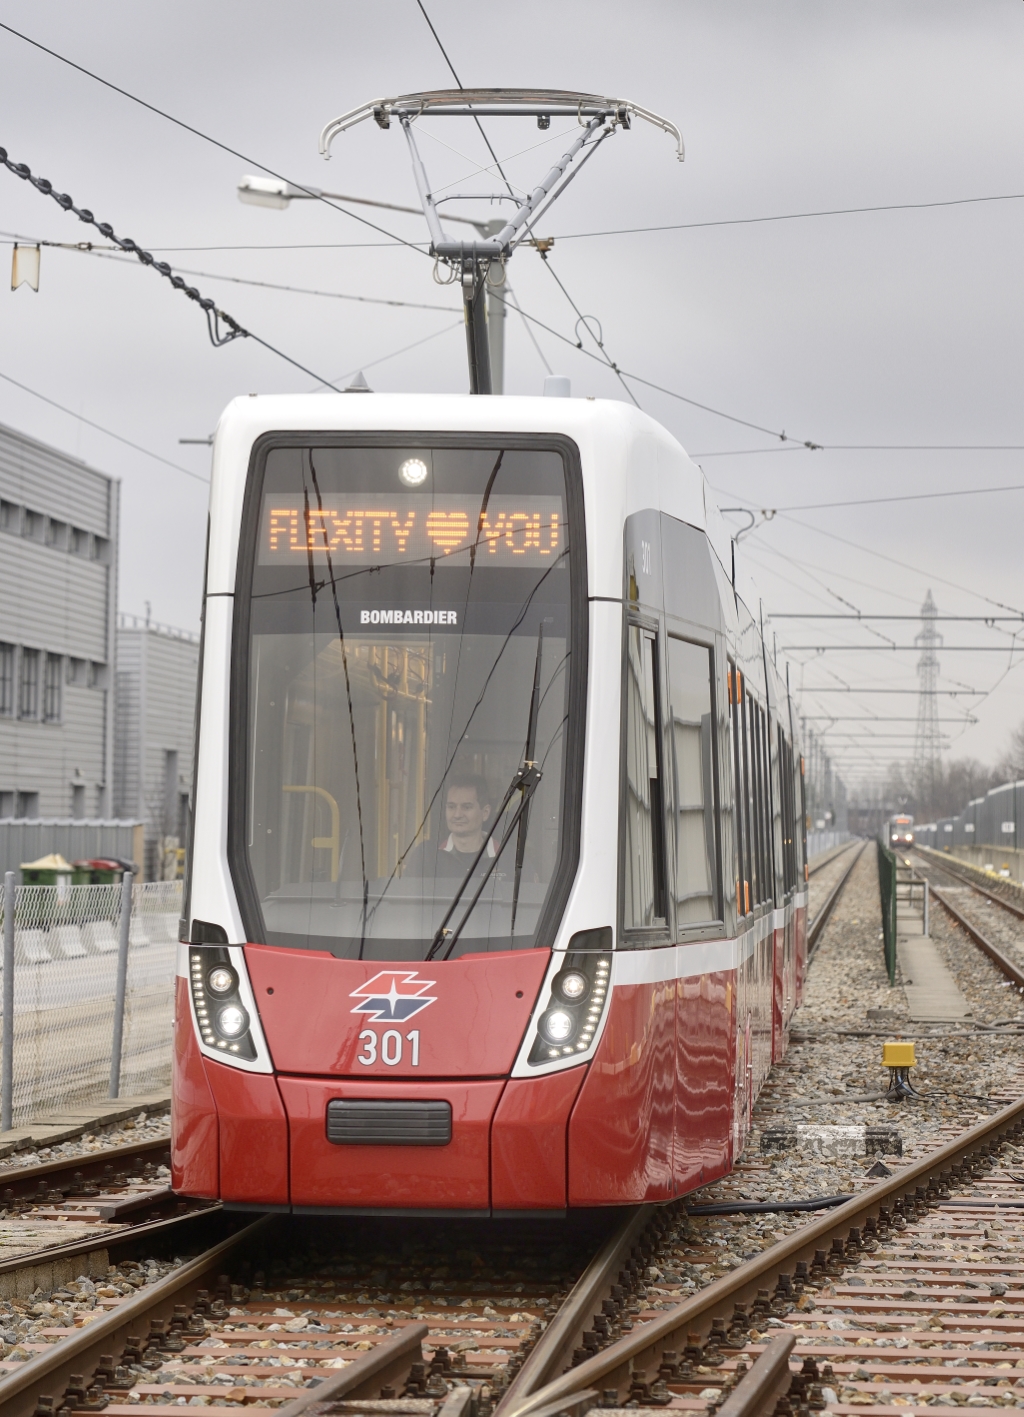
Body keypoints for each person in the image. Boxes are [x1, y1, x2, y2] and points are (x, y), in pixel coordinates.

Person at [404, 774, 499, 879]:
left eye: (466, 807)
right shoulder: (426, 855)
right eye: (451, 807)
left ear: (485, 813)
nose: (457, 814)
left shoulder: (508, 856)